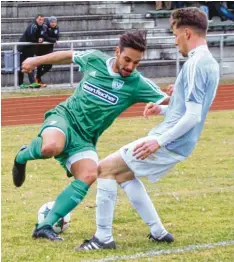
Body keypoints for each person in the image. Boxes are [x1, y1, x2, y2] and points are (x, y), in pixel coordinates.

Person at [77, 7, 220, 251]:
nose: (174, 41)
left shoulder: (196, 64)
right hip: (179, 141)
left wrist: (159, 141)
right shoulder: (210, 63)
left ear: (186, 33)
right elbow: (188, 110)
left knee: (104, 169)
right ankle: (158, 232)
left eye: (175, 34)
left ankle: (103, 238)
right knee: (123, 174)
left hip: (171, 141)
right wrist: (163, 110)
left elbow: (194, 116)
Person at [12, 30, 169, 241]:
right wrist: (36, 59)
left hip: (85, 139)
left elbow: (167, 100)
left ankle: (44, 226)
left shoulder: (136, 83)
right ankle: (22, 156)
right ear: (117, 52)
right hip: (64, 119)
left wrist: (177, 92)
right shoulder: (95, 59)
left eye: (136, 63)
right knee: (51, 147)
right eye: (127, 59)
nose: (130, 67)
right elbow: (68, 55)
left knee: (89, 174)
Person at [18, 14, 46, 89]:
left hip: (31, 49)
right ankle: (20, 83)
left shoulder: (43, 27)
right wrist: (38, 40)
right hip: (23, 48)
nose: (41, 21)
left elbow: (43, 36)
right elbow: (30, 36)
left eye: (42, 20)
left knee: (31, 64)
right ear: (36, 19)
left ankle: (32, 82)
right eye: (40, 19)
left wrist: (41, 38)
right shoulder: (33, 26)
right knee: (22, 65)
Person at [35, 16, 60, 88]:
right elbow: (45, 37)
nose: (53, 23)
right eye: (52, 22)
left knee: (49, 65)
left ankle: (37, 77)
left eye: (55, 22)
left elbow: (57, 37)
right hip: (41, 49)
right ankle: (38, 80)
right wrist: (54, 40)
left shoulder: (56, 28)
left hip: (49, 49)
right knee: (40, 65)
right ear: (49, 22)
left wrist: (53, 39)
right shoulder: (45, 26)